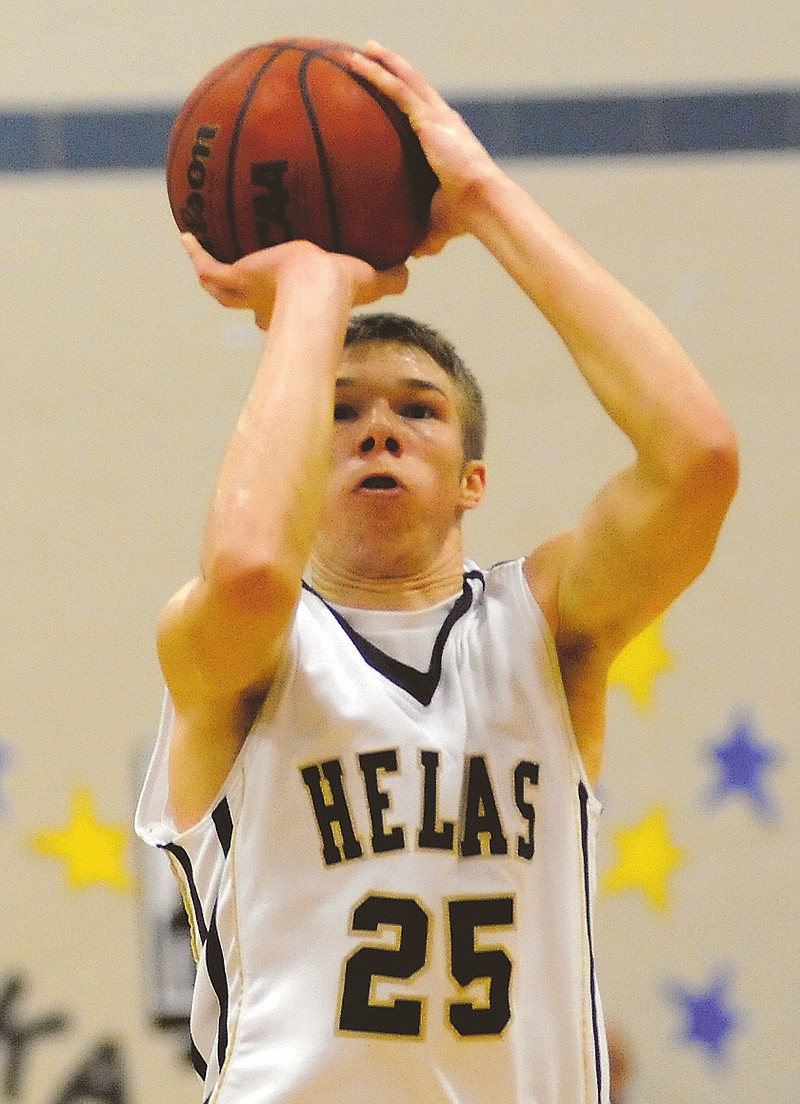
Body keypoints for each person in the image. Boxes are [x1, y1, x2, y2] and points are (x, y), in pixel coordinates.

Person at [135, 43, 738, 1104]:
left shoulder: (544, 629)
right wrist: (311, 287)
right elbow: (244, 573)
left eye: (415, 409)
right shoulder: (233, 650)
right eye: (339, 412)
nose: (377, 431)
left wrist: (488, 200)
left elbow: (696, 460)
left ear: (470, 480)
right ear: (294, 464)